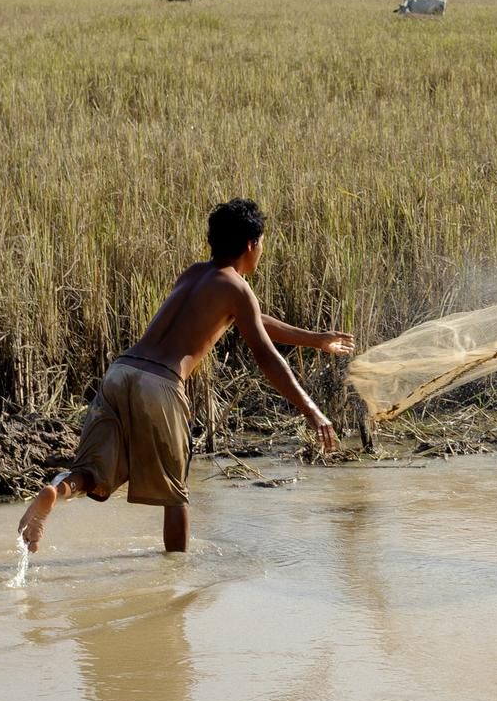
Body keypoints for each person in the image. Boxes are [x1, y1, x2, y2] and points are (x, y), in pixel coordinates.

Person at [18, 198, 353, 554]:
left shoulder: (195, 273)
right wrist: (311, 409)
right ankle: (175, 584)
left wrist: (314, 340)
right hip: (160, 384)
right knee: (176, 494)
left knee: (93, 472)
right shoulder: (239, 290)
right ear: (252, 244)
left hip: (122, 371)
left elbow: (249, 319)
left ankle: (55, 490)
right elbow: (267, 356)